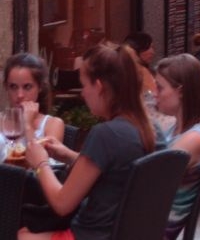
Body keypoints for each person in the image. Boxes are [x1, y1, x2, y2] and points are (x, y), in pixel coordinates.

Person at [21, 45, 155, 240]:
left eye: (84, 86)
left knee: (20, 233)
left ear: (99, 86)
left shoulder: (106, 134)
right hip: (119, 232)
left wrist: (41, 164)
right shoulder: (142, 128)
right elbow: (113, 172)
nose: (83, 93)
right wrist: (68, 155)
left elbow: (61, 204)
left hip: (90, 235)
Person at [153, 54, 200, 240]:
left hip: (154, 227)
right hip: (148, 219)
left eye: (159, 87)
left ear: (180, 91)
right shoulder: (175, 129)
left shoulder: (196, 137)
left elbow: (147, 176)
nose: (154, 94)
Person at [3, 53, 65, 144]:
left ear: (39, 87)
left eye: (27, 87)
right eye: (13, 87)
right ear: (6, 87)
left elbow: (43, 158)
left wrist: (28, 125)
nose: (20, 95)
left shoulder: (53, 124)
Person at [122, 31, 157, 96]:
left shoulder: (149, 71)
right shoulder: (140, 72)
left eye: (152, 47)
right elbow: (154, 93)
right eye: (148, 48)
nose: (152, 52)